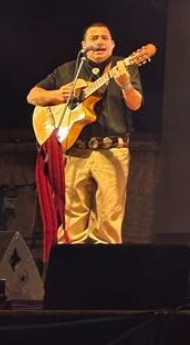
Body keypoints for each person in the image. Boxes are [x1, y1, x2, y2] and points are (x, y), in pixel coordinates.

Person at [27, 22, 143, 244]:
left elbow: (136, 104)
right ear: (84, 45)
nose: (99, 42)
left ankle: (106, 273)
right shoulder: (68, 70)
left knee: (108, 220)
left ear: (112, 44)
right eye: (94, 38)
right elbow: (33, 96)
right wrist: (58, 96)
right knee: (71, 220)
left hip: (112, 151)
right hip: (75, 151)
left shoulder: (125, 67)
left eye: (104, 38)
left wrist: (126, 85)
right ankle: (70, 272)